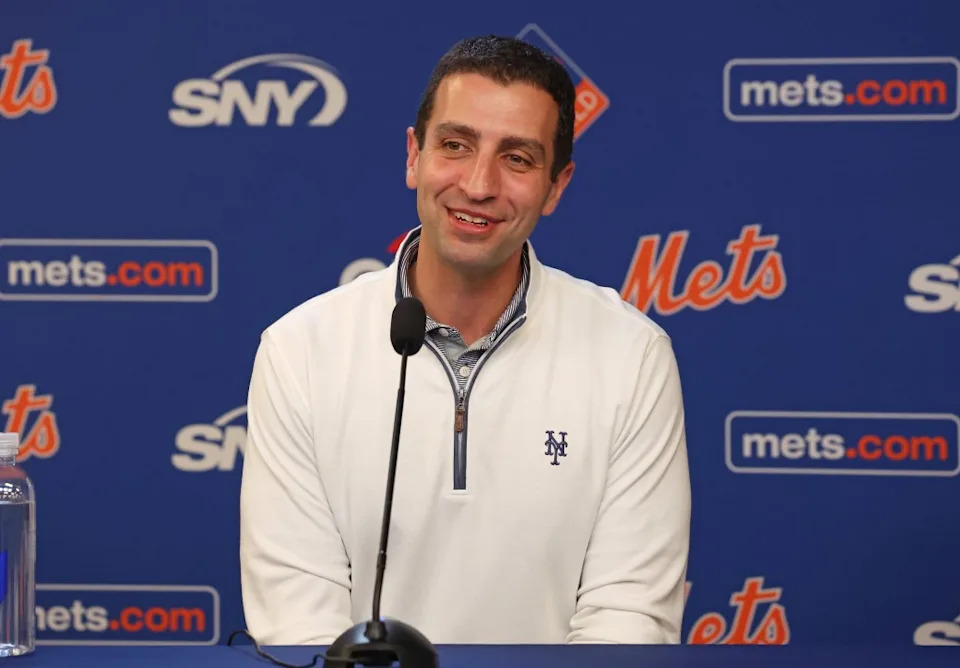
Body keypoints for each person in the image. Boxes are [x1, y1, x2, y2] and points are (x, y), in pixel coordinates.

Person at [239, 34, 691, 646]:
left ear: (557, 187)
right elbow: (300, 629)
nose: (478, 184)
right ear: (413, 157)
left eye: (518, 158)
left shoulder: (632, 355)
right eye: (456, 145)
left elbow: (629, 621)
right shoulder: (300, 351)